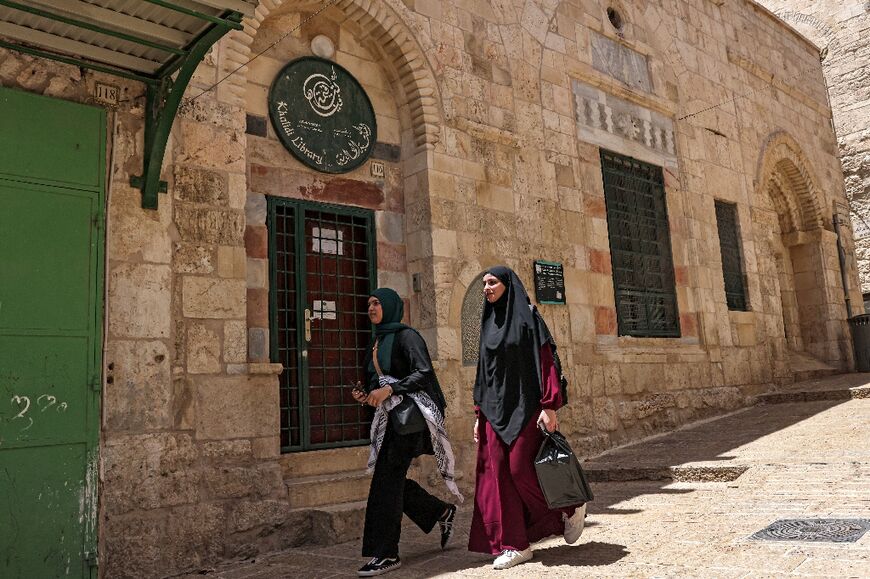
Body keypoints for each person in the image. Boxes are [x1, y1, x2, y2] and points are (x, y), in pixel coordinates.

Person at [468, 266, 587, 570]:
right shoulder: (488, 323)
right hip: (495, 411)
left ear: (508, 285)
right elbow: (484, 372)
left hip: (526, 407)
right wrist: (479, 415)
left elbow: (546, 360)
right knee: (501, 478)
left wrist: (549, 405)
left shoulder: (528, 317)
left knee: (522, 470)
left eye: (492, 282)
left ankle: (570, 507)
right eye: (484, 283)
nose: (486, 288)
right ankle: (516, 545)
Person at [352, 287, 464, 577]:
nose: (372, 308)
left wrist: (391, 388)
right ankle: (440, 511)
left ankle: (386, 553)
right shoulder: (376, 342)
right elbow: (374, 382)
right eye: (369, 303)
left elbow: (423, 372)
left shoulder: (407, 336)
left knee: (385, 483)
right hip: (389, 420)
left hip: (410, 419)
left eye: (377, 303)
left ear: (390, 306)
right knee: (391, 480)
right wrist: (366, 395)